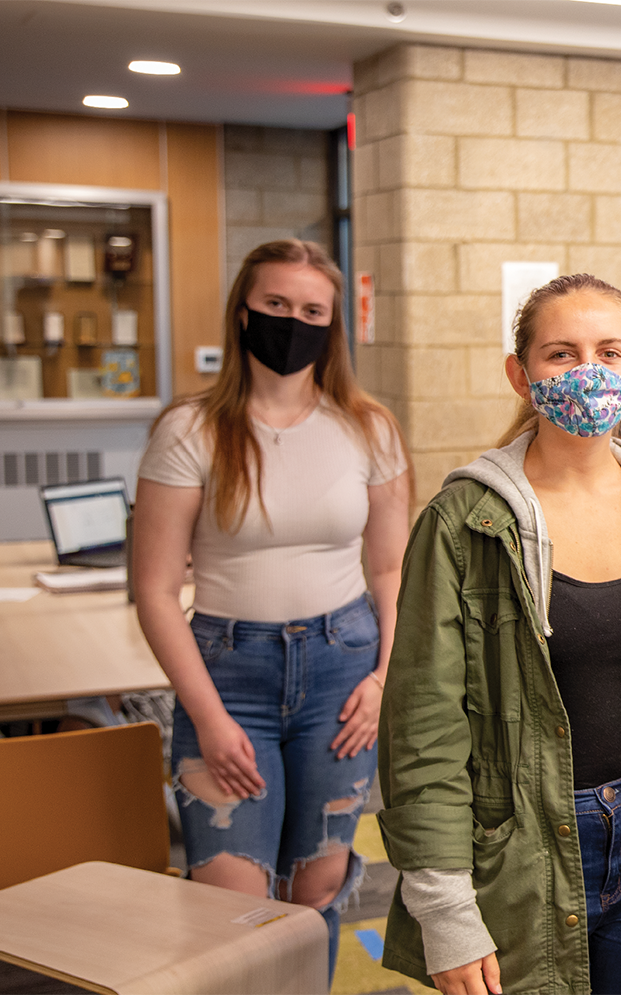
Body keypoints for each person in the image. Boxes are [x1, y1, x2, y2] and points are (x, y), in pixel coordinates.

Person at [378, 274, 621, 995]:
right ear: (520, 374)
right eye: (560, 353)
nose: (588, 371)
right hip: (519, 846)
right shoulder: (464, 525)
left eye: (611, 351)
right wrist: (445, 908)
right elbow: (423, 726)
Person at [133, 239, 410, 980]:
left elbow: (391, 568)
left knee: (316, 885)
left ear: (333, 324)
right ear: (244, 312)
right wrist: (210, 717)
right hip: (228, 675)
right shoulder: (189, 428)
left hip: (341, 670)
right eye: (277, 305)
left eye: (313, 309)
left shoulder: (369, 427)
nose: (294, 322)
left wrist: (386, 677)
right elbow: (155, 590)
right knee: (232, 897)